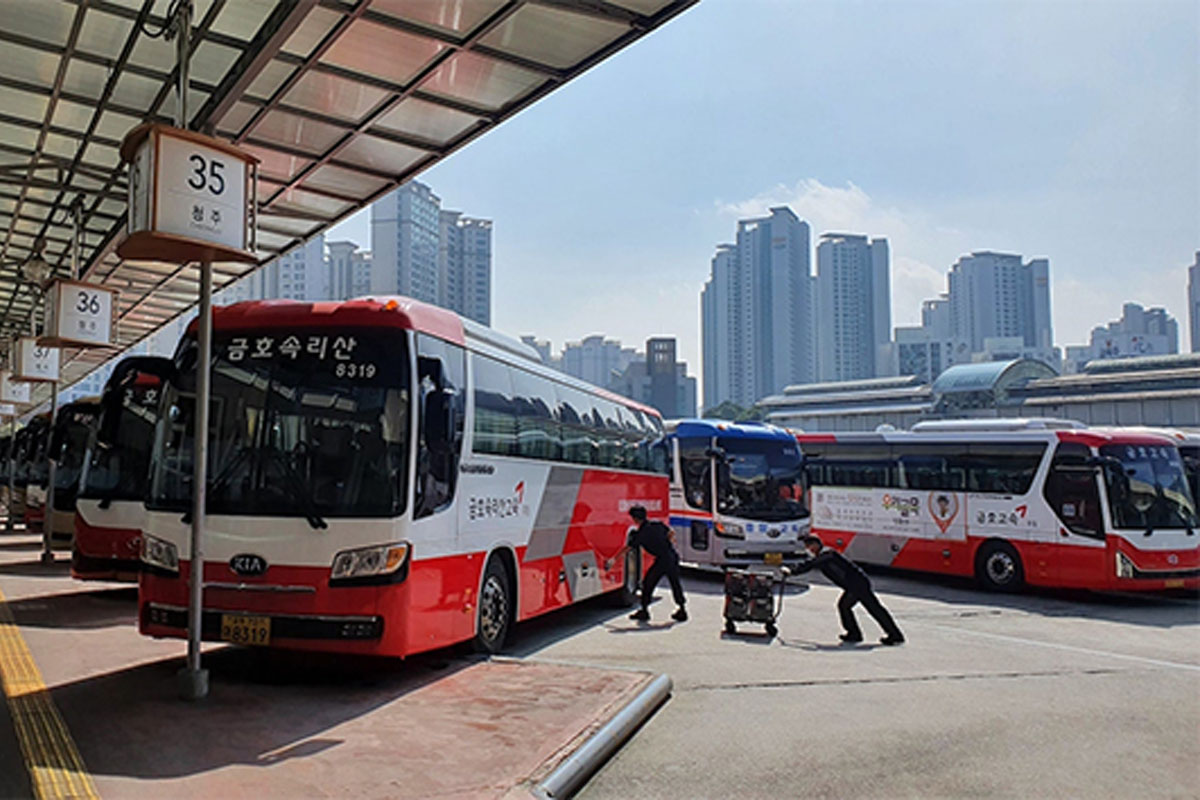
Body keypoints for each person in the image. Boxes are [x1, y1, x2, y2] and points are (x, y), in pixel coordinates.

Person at [791, 535, 904, 645]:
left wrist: (792, 571)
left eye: (809, 546)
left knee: (871, 608)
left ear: (816, 545)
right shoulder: (823, 555)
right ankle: (856, 634)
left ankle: (892, 635)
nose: (808, 550)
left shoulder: (827, 554)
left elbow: (810, 564)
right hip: (854, 585)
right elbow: (812, 563)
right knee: (849, 606)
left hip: (857, 584)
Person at [625, 505, 687, 623]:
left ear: (635, 519)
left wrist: (613, 558)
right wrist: (669, 543)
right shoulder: (656, 524)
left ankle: (644, 610)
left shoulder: (641, 534)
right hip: (672, 556)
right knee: (675, 583)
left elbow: (629, 548)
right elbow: (671, 532)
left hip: (662, 560)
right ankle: (682, 609)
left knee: (648, 583)